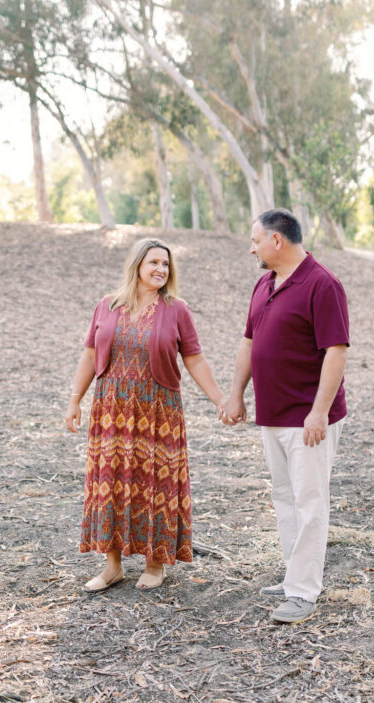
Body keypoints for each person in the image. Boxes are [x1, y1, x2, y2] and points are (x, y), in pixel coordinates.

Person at [65, 238, 228, 592]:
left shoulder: (176, 310)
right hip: (111, 409)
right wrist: (75, 399)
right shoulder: (106, 306)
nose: (160, 269)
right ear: (137, 265)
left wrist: (220, 399)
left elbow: (195, 359)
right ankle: (112, 566)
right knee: (110, 481)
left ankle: (155, 564)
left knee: (156, 482)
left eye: (166, 265)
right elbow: (90, 355)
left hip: (158, 410)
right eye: (154, 262)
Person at [224, 209, 349, 624]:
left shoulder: (322, 284)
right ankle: (295, 575)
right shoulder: (264, 284)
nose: (251, 248)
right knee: (285, 498)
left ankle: (303, 592)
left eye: (256, 240)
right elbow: (248, 344)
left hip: (309, 419)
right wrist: (237, 394)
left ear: (277, 241)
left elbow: (336, 351)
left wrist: (318, 411)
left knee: (310, 502)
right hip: (272, 414)